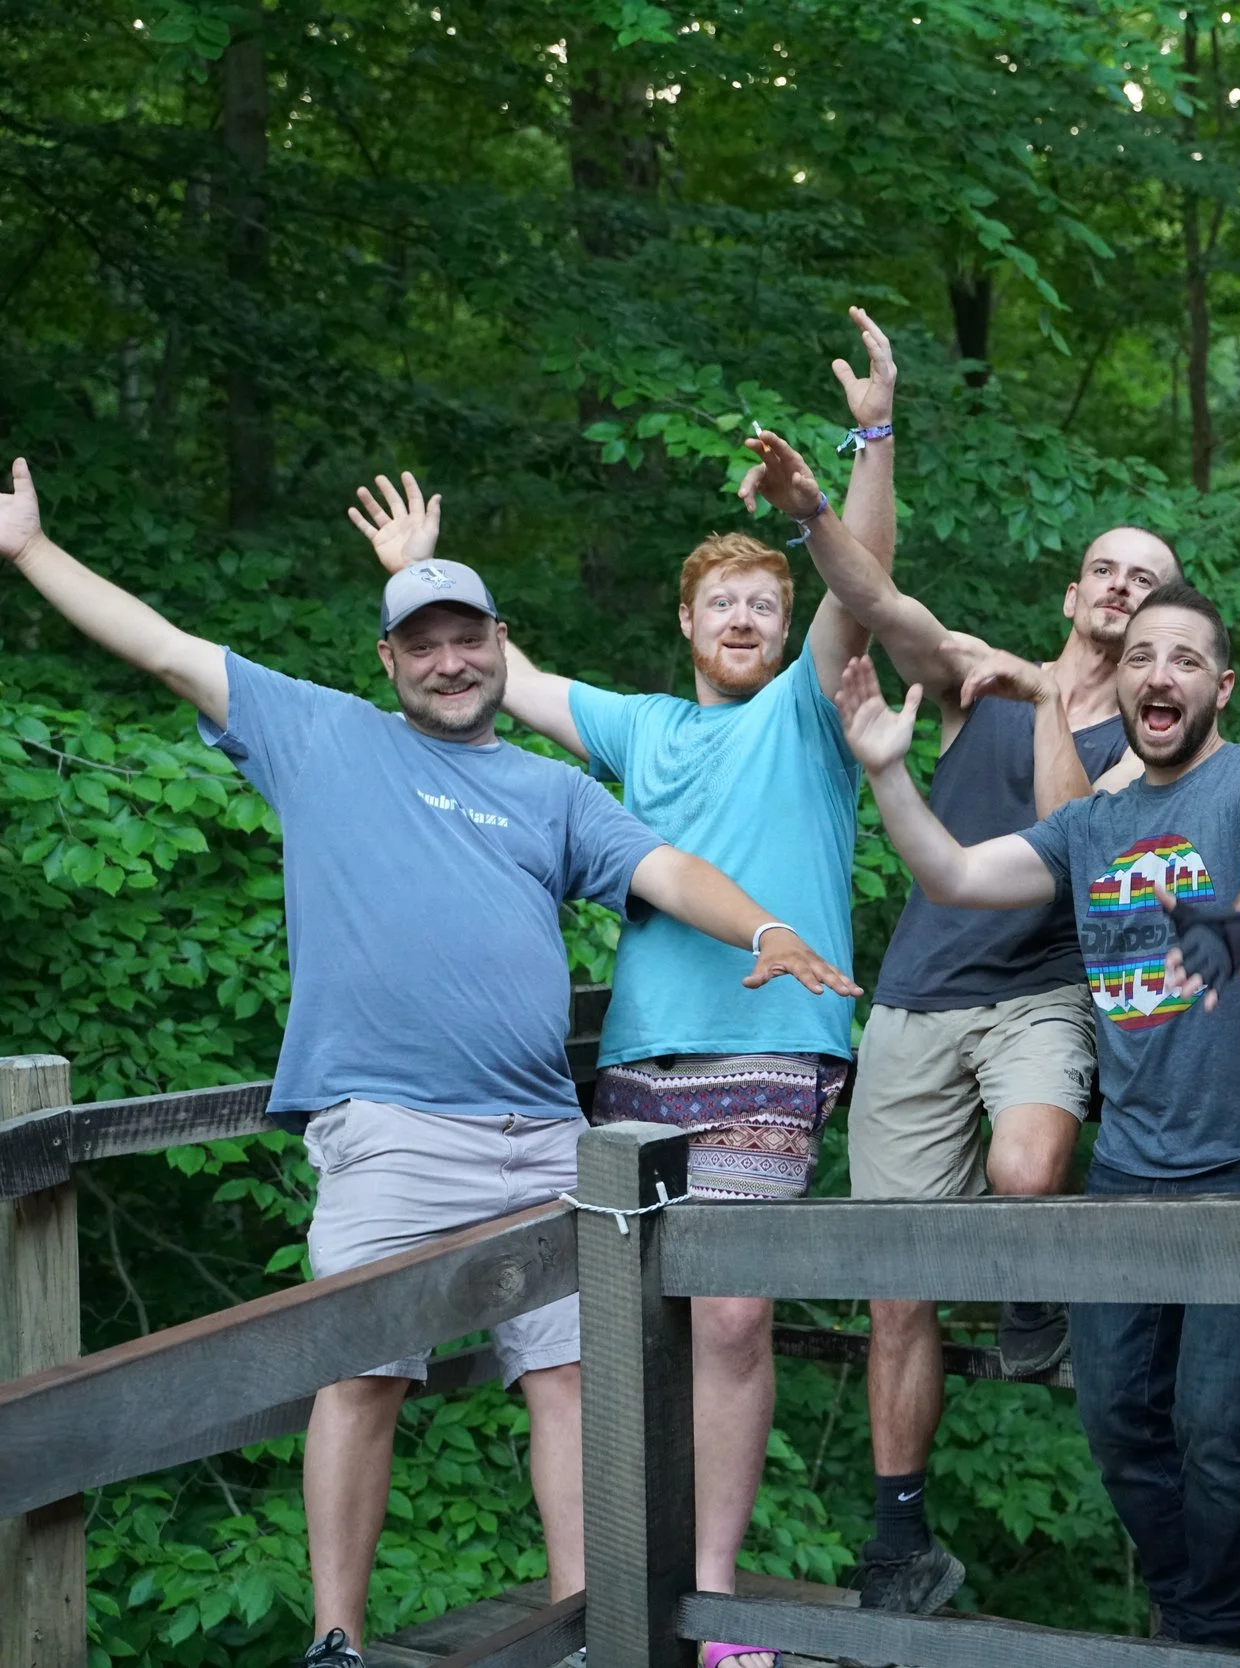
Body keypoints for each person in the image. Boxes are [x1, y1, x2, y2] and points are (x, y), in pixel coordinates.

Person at [0, 458, 853, 1668]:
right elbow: (164, 647)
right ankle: (337, 1641)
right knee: (360, 1374)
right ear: (389, 662)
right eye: (423, 644)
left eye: (469, 640)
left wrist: (761, 927)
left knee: (570, 1380)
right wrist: (32, 552)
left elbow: (667, 872)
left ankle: (588, 1628)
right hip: (390, 1125)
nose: (450, 661)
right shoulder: (320, 735)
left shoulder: (551, 793)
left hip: (542, 1137)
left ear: (501, 648)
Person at [345, 311, 897, 1668]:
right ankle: (628, 1586)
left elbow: (865, 581)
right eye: (729, 603)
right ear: (690, 623)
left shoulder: (809, 713)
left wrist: (866, 445)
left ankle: (710, 1598)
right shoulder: (642, 727)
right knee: (619, 1329)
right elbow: (492, 679)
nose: (752, 619)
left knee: (733, 1313)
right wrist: (422, 571)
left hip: (775, 1045)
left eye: (769, 604)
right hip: (639, 1063)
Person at [830, 581, 1240, 1650]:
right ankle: (1196, 1615)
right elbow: (956, 873)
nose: (1160, 674)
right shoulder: (1089, 825)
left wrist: (1239, 926)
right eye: (1144, 655)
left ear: (1221, 687)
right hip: (1134, 1166)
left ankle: (1213, 1633)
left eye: (1186, 658)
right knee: (1114, 1416)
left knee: (1217, 1424)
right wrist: (886, 773)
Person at [742, 420, 1180, 1614]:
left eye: (1146, 579)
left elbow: (1067, 825)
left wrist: (1045, 687)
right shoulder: (965, 679)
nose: (1121, 587)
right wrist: (812, 509)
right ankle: (901, 1545)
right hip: (915, 1003)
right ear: (1073, 588)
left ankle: (1032, 1288)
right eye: (1107, 568)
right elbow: (879, 604)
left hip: (1038, 996)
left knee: (1031, 1170)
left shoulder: (1148, 745)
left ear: (1164, 623)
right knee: (896, 1293)